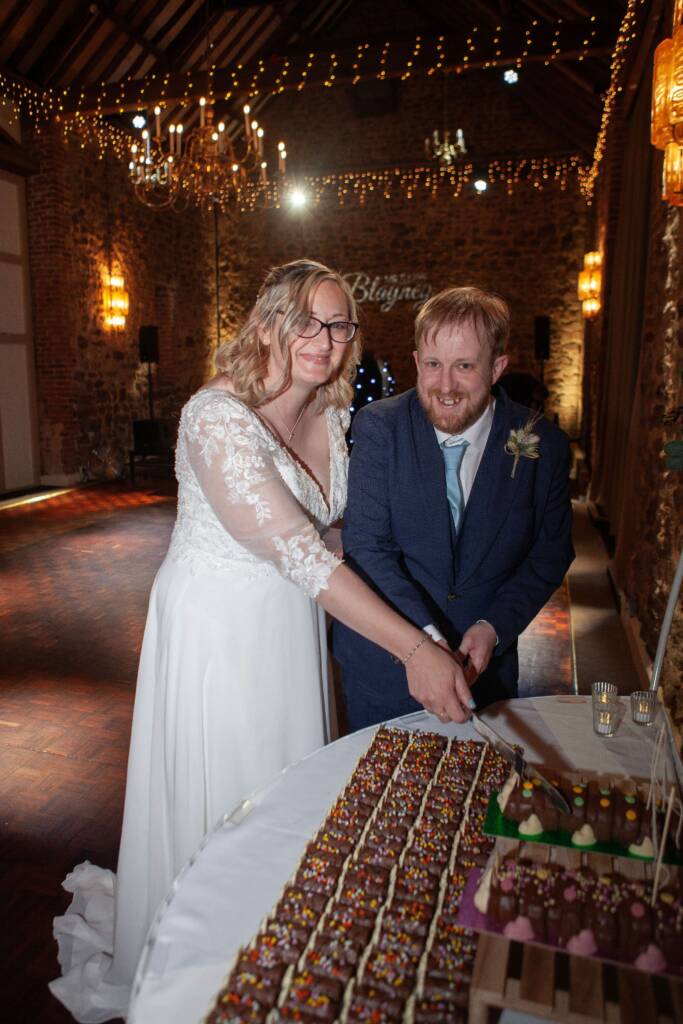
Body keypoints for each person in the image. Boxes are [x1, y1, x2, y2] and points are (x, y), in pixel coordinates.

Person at [50, 260, 473, 1023]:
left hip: (291, 624)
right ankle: (208, 951)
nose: (324, 338)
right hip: (217, 630)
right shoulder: (215, 416)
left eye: (338, 324)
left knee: (283, 783)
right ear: (269, 323)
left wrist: (426, 631)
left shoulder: (332, 417)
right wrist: (414, 652)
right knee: (228, 787)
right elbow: (300, 550)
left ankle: (273, 934)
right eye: (306, 319)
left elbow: (339, 543)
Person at [333, 285, 575, 730]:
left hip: (485, 678)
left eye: (464, 366)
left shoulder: (546, 446)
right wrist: (424, 643)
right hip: (384, 673)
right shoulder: (380, 428)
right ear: (416, 362)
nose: (445, 386)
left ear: (496, 367)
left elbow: (550, 554)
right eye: (433, 365)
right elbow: (367, 545)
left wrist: (494, 627)